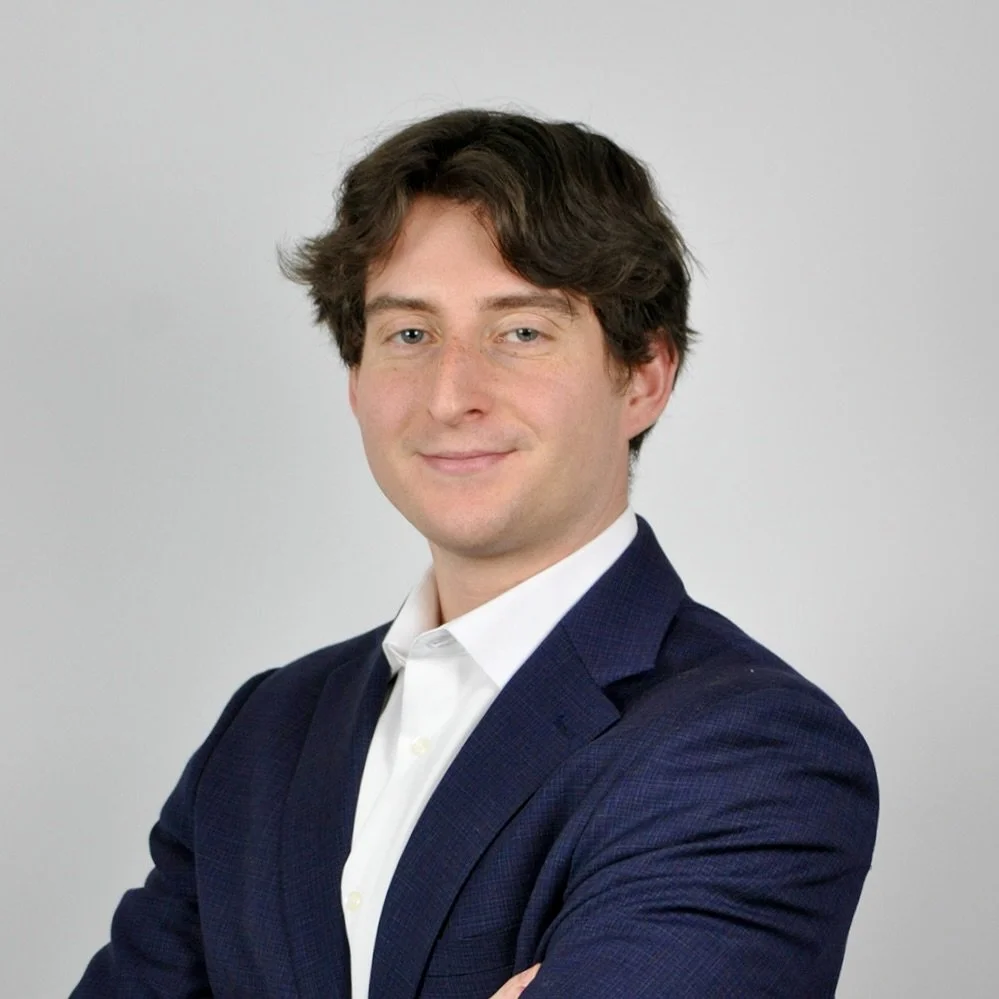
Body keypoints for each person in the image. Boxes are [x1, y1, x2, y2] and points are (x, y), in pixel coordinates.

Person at [71, 108, 879, 998]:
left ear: (643, 376)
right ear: (355, 380)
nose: (450, 394)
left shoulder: (748, 751)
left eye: (520, 331)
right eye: (409, 334)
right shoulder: (265, 730)